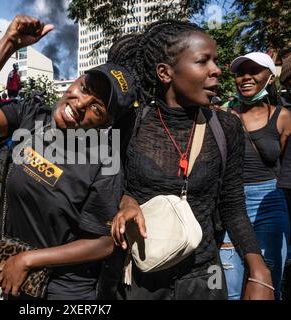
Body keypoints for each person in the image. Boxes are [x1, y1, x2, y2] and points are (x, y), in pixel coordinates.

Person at [0, 15, 137, 300]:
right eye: (85, 88)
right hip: (15, 278)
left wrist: (29, 260)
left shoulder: (103, 161)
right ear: (76, 80)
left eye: (97, 109)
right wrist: (9, 43)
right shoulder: (31, 116)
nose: (80, 104)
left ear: (106, 123)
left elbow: (102, 243)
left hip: (64, 292)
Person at [108, 20, 273, 300]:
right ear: (165, 72)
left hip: (205, 275)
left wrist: (259, 271)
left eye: (216, 61)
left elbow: (232, 205)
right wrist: (126, 200)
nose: (217, 70)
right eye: (203, 61)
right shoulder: (132, 124)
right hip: (141, 276)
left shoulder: (225, 127)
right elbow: (108, 190)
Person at [217, 52, 291, 300]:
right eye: (240, 73)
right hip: (231, 205)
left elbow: (284, 168)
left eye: (254, 71)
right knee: (231, 289)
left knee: (268, 286)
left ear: (270, 78)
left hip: (270, 204)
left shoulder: (283, 117)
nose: (246, 77)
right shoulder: (223, 116)